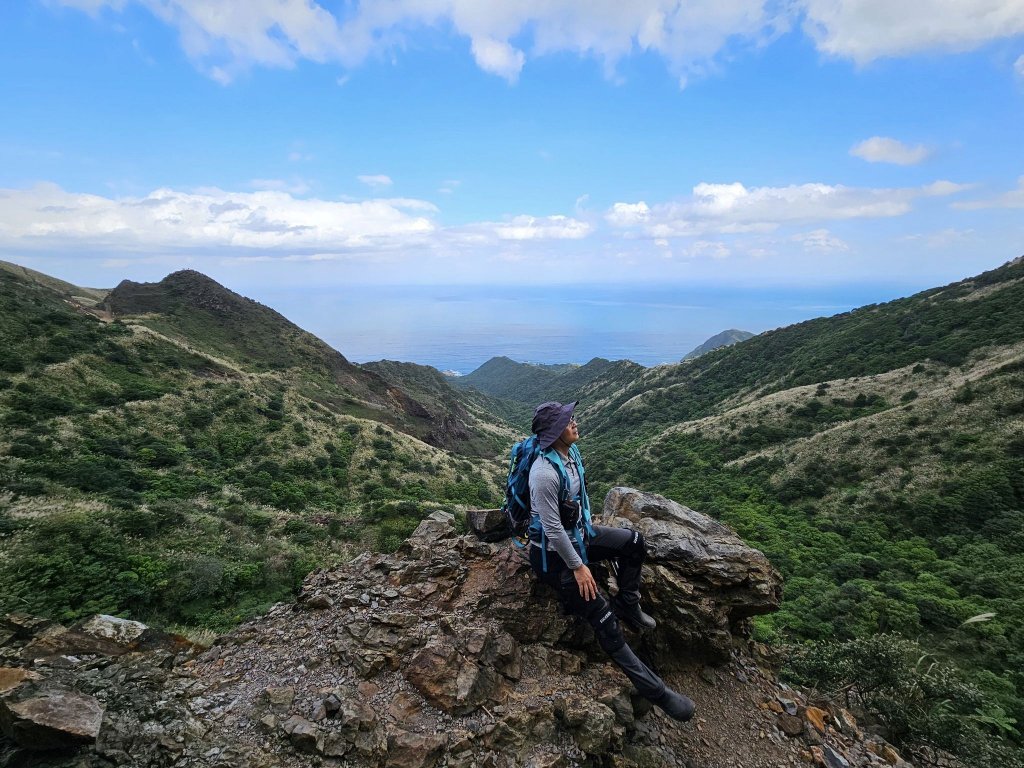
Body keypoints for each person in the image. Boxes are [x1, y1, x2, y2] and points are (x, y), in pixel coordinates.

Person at [527, 400, 695, 722]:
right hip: (553, 556)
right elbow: (551, 528)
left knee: (634, 542)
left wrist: (585, 536)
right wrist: (578, 567)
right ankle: (657, 692)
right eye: (567, 420)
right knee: (606, 622)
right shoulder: (543, 474)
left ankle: (629, 602)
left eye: (572, 416)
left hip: (579, 534)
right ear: (552, 433)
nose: (574, 421)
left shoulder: (569, 455)